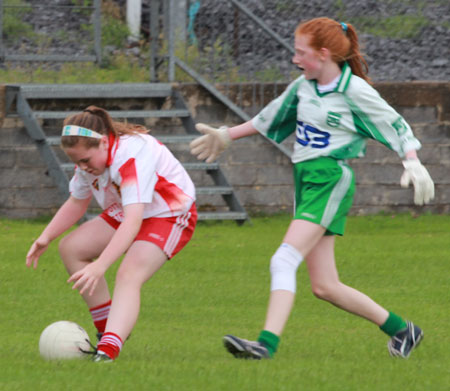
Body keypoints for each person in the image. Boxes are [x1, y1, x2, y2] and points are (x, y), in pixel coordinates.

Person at [190, 17, 434, 360]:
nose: (294, 58)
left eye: (300, 52)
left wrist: (412, 160)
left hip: (330, 177)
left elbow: (395, 124)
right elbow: (269, 118)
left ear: (322, 54)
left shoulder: (353, 90)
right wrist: (226, 135)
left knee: (283, 259)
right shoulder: (304, 85)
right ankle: (402, 330)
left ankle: (265, 345)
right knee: (324, 286)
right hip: (307, 180)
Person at [26, 106, 197, 362]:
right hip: (133, 210)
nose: (82, 167)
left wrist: (101, 266)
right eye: (76, 162)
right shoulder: (89, 162)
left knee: (128, 274)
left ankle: (108, 351)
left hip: (170, 213)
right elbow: (77, 202)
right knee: (71, 248)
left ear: (104, 142)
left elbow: (132, 221)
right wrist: (45, 237)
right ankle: (108, 331)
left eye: (85, 160)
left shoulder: (130, 157)